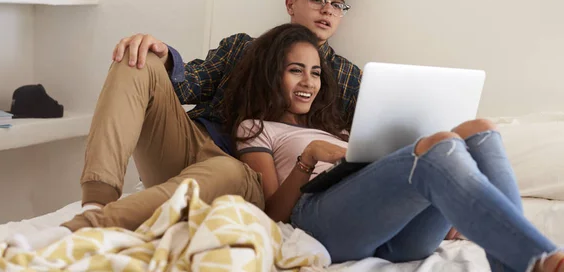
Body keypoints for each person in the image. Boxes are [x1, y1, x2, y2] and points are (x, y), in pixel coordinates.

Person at [226, 23, 564, 272]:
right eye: (295, 71)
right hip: (327, 221)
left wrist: (452, 203)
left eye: (315, 73)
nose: (308, 82)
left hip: (401, 238)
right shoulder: (257, 128)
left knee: (480, 128)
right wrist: (308, 157)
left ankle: (511, 262)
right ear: (271, 75)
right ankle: (535, 257)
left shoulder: (339, 129)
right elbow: (271, 215)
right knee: (439, 143)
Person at [62, 0, 362, 231]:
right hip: (186, 144)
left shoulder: (348, 78)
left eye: (337, 4)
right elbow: (186, 84)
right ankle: (95, 202)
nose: (327, 10)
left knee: (227, 170)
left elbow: (365, 143)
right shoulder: (242, 48)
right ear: (290, 4)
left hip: (238, 172)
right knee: (137, 58)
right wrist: (163, 55)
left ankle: (96, 224)